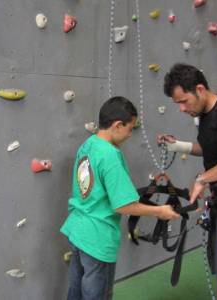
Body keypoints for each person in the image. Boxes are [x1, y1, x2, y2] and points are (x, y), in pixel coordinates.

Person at [60, 96, 180, 300]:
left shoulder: (88, 145)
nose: (130, 134)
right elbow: (124, 206)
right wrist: (160, 211)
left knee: (76, 289)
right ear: (117, 125)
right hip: (97, 237)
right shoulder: (110, 155)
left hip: (78, 230)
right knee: (97, 294)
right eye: (130, 128)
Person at [158, 63, 217, 300]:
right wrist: (178, 146)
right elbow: (212, 149)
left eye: (184, 101)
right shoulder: (205, 115)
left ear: (200, 89)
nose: (182, 109)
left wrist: (203, 178)